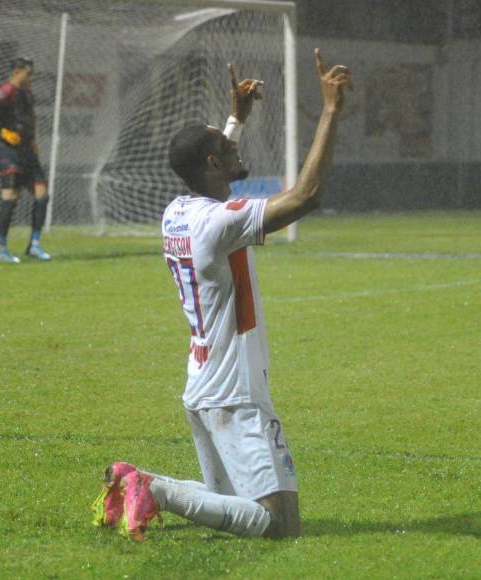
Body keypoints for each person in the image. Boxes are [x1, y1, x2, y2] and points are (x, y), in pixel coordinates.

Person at [92, 49, 351, 541]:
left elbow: (214, 175)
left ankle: (134, 481)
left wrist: (235, 119)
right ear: (213, 162)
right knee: (280, 525)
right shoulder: (219, 223)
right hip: (234, 394)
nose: (235, 149)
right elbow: (306, 196)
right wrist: (332, 111)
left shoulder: (179, 212)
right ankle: (152, 488)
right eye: (225, 146)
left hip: (204, 383)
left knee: (230, 506)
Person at [0, 57, 51, 263]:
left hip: (27, 151)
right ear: (17, 72)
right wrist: (1, 132)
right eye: (28, 73)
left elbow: (31, 118)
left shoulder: (27, 93)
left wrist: (33, 141)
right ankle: (2, 249)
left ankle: (34, 245)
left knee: (42, 194)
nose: (31, 77)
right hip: (9, 153)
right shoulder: (7, 90)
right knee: (10, 198)